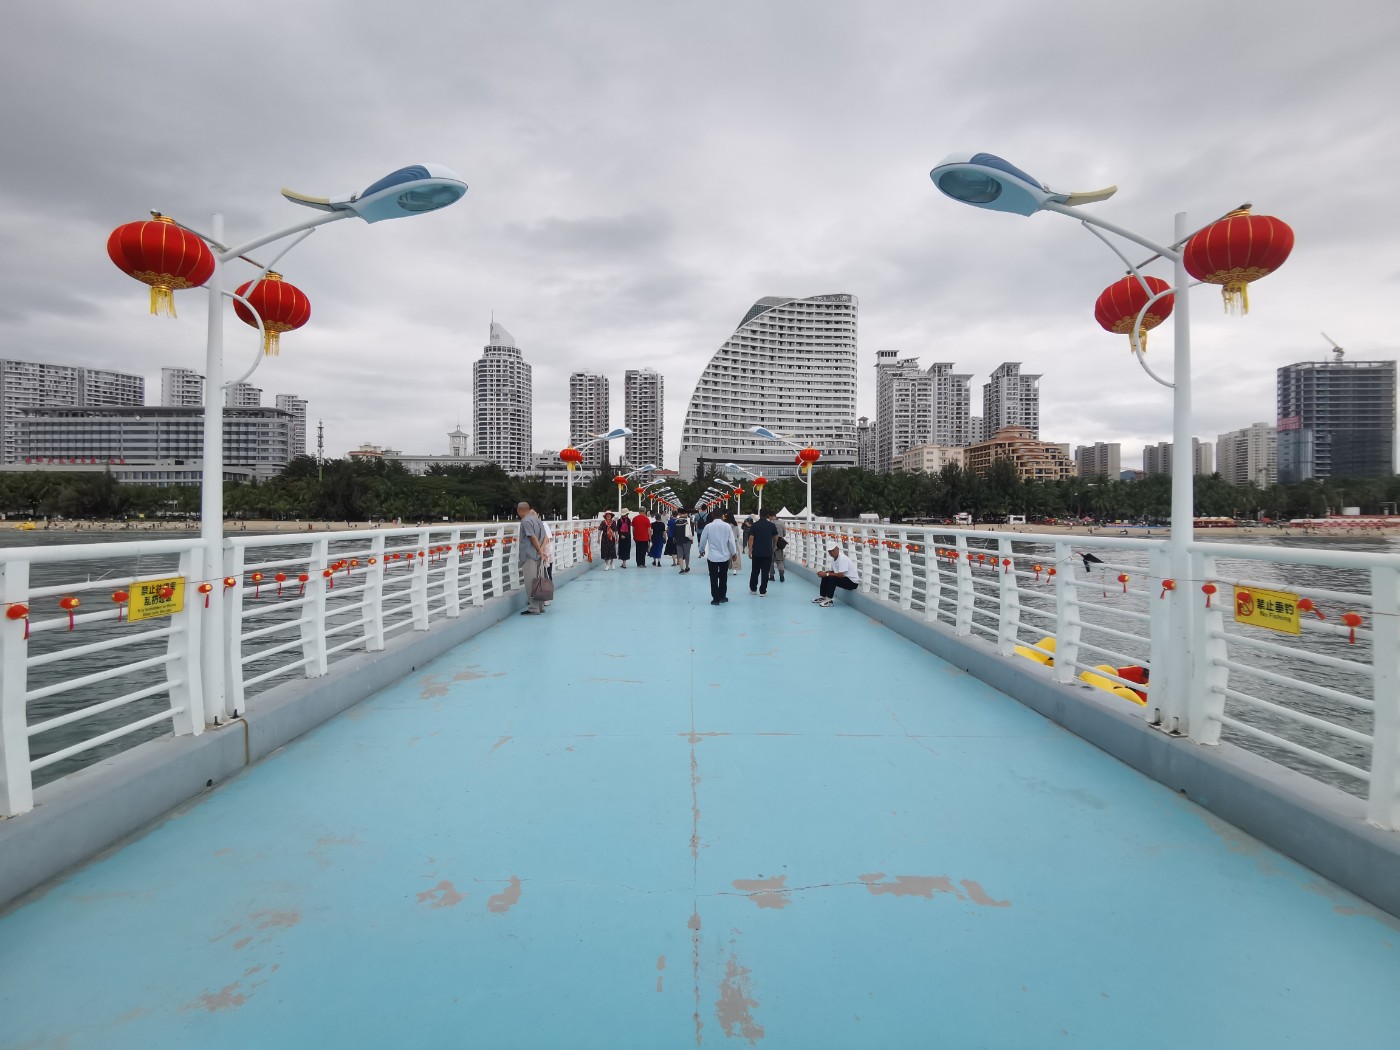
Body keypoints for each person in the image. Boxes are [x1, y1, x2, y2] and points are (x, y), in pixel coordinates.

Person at [698, 510, 738, 605]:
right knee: (723, 577)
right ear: (722, 516)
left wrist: (701, 550)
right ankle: (722, 596)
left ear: (712, 515)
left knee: (713, 578)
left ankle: (715, 599)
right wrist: (734, 553)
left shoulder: (708, 526)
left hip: (712, 557)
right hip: (725, 556)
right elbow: (731, 542)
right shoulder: (727, 526)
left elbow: (703, 540)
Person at [516, 501, 548, 614]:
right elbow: (545, 537)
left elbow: (532, 537)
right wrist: (541, 551)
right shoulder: (537, 520)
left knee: (531, 582)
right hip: (538, 556)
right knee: (538, 581)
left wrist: (539, 550)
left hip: (529, 556)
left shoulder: (525, 521)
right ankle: (540, 606)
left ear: (519, 511)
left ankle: (534, 608)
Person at [745, 507, 779, 596]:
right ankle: (763, 591)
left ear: (759, 514)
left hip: (756, 552)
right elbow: (776, 537)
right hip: (767, 552)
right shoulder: (771, 525)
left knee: (755, 571)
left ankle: (753, 589)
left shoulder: (754, 525)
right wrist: (773, 546)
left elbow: (751, 538)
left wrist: (750, 551)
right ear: (768, 515)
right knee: (765, 572)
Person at [815, 542, 860, 608]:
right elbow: (833, 571)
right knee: (826, 576)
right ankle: (823, 597)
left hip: (852, 583)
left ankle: (829, 600)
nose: (831, 553)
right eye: (830, 551)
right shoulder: (834, 559)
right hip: (845, 579)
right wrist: (823, 573)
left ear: (837, 549)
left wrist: (826, 574)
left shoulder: (842, 558)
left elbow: (840, 575)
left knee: (832, 578)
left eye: (833, 550)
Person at [724, 510, 742, 576]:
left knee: (726, 554)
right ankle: (735, 569)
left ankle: (725, 567)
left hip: (726, 541)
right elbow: (738, 534)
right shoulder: (735, 525)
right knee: (735, 554)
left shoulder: (725, 525)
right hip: (734, 541)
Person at [771, 516, 787, 583]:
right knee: (780, 561)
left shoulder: (769, 523)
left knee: (770, 561)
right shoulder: (781, 523)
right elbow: (784, 534)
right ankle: (781, 572)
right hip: (779, 544)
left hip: (771, 544)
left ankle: (771, 576)